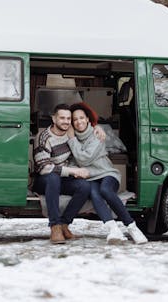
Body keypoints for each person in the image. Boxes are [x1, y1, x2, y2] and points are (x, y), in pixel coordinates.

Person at [67, 102, 148, 244]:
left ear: (87, 119)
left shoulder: (97, 135)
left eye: (81, 118)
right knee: (94, 193)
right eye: (75, 119)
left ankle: (132, 227)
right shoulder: (71, 139)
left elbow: (83, 159)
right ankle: (113, 230)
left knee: (104, 190)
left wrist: (73, 139)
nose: (78, 121)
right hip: (91, 178)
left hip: (107, 174)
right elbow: (75, 161)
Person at [33, 102, 92, 245]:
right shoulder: (44, 137)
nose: (66, 122)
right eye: (62, 118)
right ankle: (55, 226)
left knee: (84, 187)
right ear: (54, 119)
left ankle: (65, 224)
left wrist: (99, 129)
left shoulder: (71, 133)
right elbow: (44, 167)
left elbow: (88, 128)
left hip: (63, 178)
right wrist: (73, 171)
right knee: (53, 178)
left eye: (68, 119)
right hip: (44, 180)